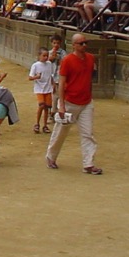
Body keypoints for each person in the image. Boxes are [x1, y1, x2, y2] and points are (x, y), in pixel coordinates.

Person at [46, 33, 101, 174]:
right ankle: (51, 157)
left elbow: (89, 79)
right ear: (74, 45)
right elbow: (62, 82)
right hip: (70, 101)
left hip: (86, 102)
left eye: (85, 42)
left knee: (88, 133)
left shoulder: (90, 58)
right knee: (60, 132)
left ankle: (88, 163)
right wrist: (62, 105)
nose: (84, 45)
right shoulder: (68, 61)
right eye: (81, 43)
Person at [29, 48, 55, 133]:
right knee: (41, 105)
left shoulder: (49, 64)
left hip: (48, 88)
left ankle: (45, 125)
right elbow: (30, 77)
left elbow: (50, 75)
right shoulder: (35, 65)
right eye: (44, 55)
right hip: (39, 89)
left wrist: (53, 84)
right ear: (39, 56)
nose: (45, 57)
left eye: (47, 55)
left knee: (47, 107)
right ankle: (37, 123)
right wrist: (36, 77)